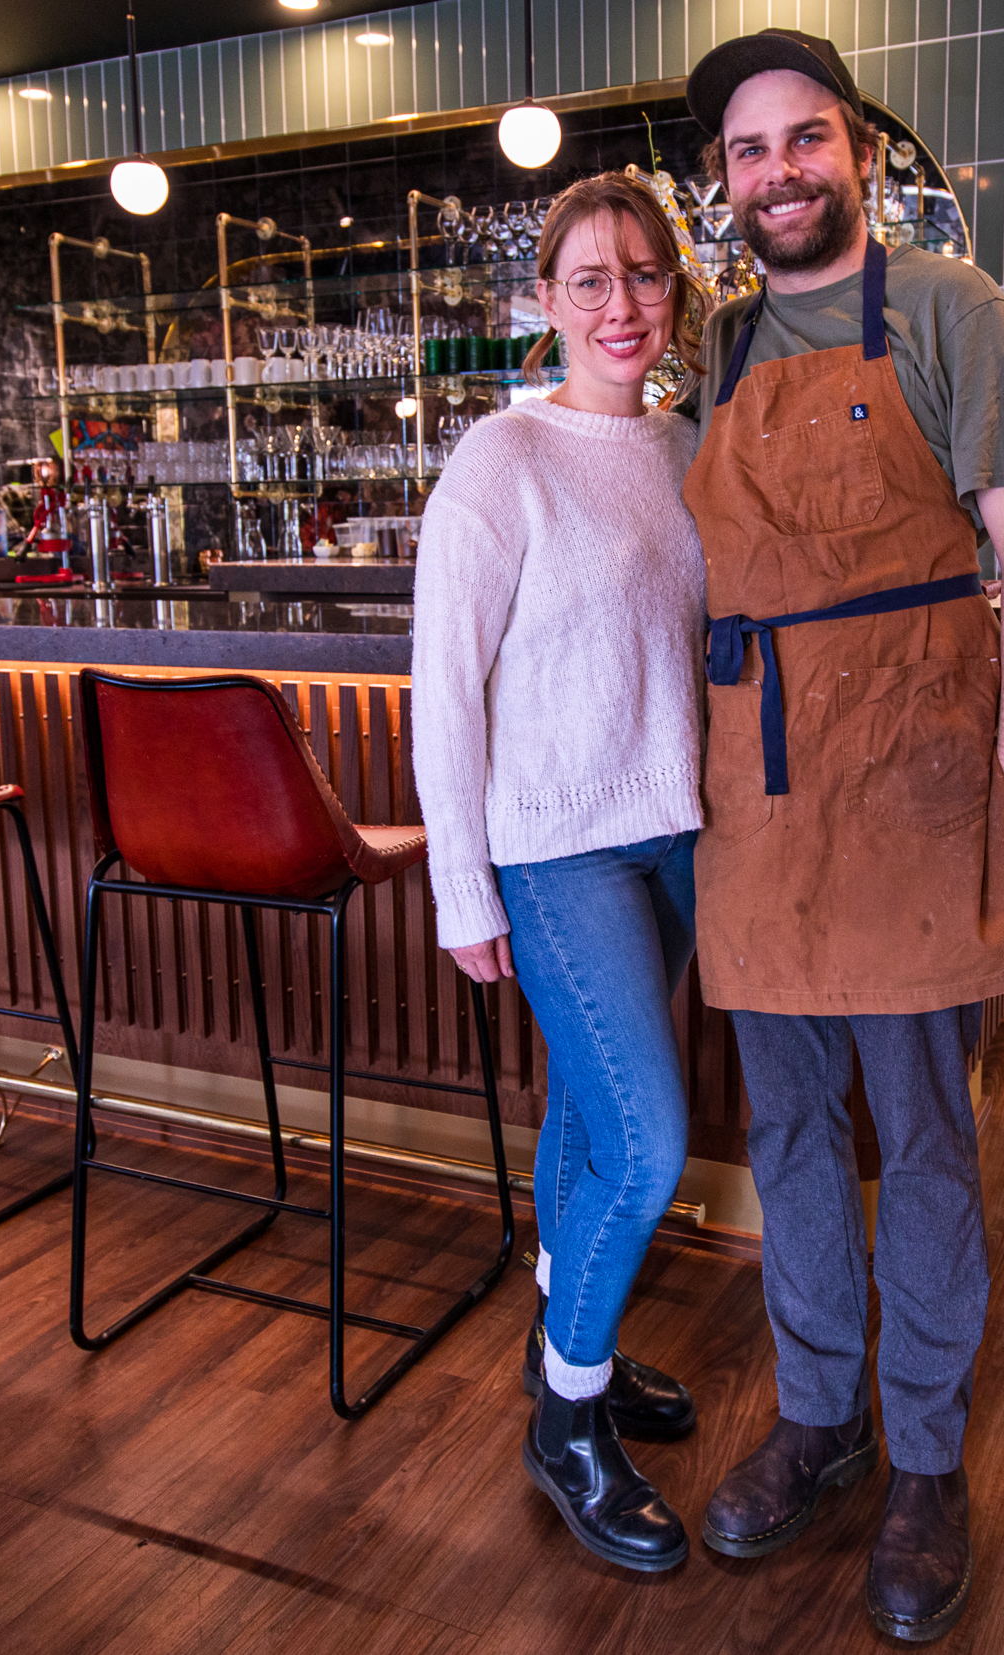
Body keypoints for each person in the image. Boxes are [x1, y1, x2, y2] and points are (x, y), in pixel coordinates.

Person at [674, 29, 1004, 1642]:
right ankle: (822, 1421)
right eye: (752, 151)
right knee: (786, 1139)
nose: (781, 171)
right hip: (759, 796)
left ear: (860, 154)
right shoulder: (715, 348)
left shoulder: (950, 313)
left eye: (807, 139)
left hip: (915, 782)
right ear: (727, 181)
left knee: (920, 1139)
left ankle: (924, 1458)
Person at [411, 172, 712, 1573]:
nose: (621, 305)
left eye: (644, 276)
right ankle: (568, 1423)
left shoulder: (687, 449)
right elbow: (444, 692)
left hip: (675, 834)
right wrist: (461, 892)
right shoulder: (501, 460)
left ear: (675, 291)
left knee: (592, 1127)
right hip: (552, 847)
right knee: (649, 1145)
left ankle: (563, 1349)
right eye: (589, 282)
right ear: (547, 303)